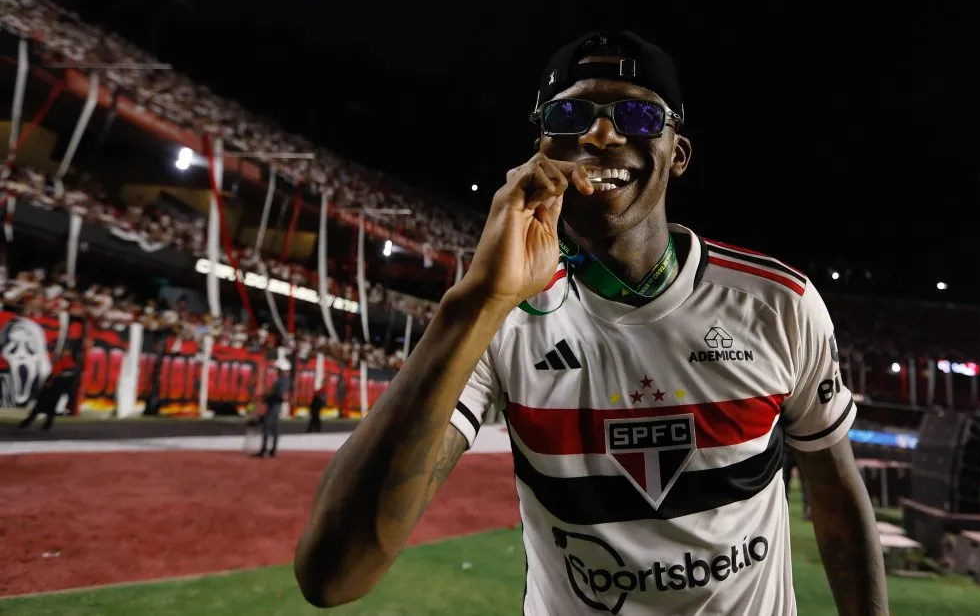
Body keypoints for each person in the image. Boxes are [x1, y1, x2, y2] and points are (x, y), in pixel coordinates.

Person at [294, 31, 887, 615]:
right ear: (542, 146)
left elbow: (834, 496)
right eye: (571, 113)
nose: (601, 134)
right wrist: (475, 302)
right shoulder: (498, 319)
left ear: (677, 153)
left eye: (636, 114)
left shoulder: (777, 303)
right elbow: (335, 576)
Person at [19, 346, 76, 431]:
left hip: (55, 387)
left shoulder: (66, 361)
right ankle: (40, 423)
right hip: (54, 387)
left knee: (45, 406)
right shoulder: (65, 361)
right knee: (47, 406)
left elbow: (59, 373)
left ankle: (33, 422)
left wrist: (51, 380)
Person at [255, 357, 291, 458]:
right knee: (274, 428)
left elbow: (279, 394)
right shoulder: (284, 380)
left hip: (274, 406)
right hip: (275, 406)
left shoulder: (282, 380)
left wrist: (267, 396)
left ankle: (265, 450)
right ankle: (272, 450)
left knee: (268, 427)